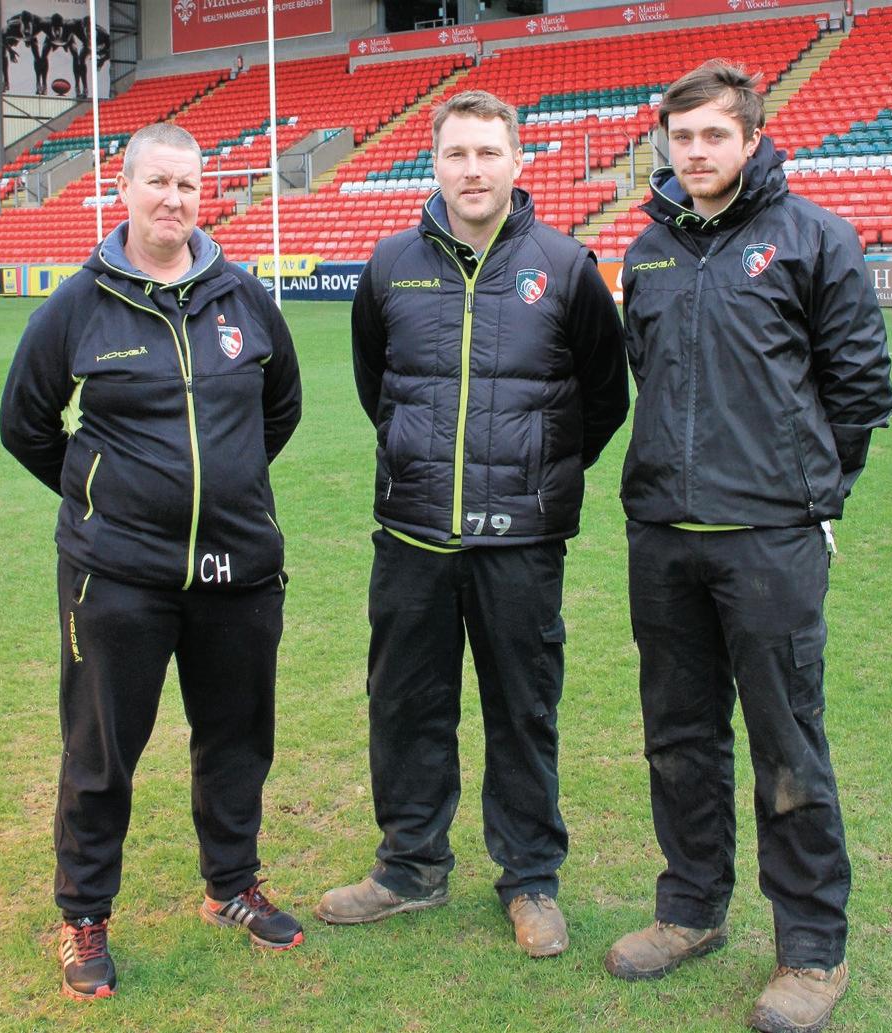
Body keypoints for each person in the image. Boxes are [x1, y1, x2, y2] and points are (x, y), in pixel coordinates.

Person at [606, 61, 892, 1033]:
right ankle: (690, 909)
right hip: (663, 537)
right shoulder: (647, 250)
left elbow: (858, 388)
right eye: (680, 136)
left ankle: (810, 947)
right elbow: (644, 373)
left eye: (712, 135)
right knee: (677, 737)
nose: (694, 152)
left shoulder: (813, 238)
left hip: (770, 540)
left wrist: (806, 493)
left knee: (786, 741)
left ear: (750, 138)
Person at [315, 90, 629, 958]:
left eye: (489, 152)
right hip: (412, 536)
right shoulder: (390, 264)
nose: (473, 169)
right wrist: (415, 460)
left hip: (519, 543)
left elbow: (604, 397)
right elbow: (378, 383)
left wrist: (537, 473)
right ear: (435, 163)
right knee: (405, 706)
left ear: (518, 162)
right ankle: (409, 866)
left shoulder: (564, 266)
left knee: (522, 711)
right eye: (457, 153)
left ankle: (530, 878)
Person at [0, 122, 304, 1000]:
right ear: (124, 189)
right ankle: (84, 912)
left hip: (238, 570)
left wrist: (226, 488)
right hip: (117, 574)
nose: (174, 199)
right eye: (158, 182)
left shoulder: (245, 298)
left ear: (204, 196)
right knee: (101, 751)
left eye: (188, 185)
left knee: (237, 738)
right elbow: (26, 423)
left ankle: (232, 884)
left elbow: (279, 409)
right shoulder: (77, 305)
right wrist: (107, 496)